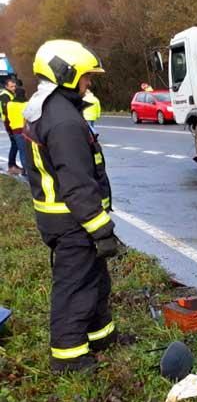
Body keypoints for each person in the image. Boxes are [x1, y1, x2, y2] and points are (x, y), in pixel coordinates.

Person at [22, 39, 120, 373]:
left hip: (66, 218)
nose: (89, 82)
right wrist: (101, 228)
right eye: (85, 77)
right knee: (75, 286)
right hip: (72, 220)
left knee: (94, 279)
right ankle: (68, 357)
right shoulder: (64, 121)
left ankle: (101, 335)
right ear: (65, 73)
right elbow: (77, 183)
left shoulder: (50, 107)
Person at [0, 77, 21, 174]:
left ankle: (13, 165)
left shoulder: (11, 93)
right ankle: (11, 165)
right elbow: (6, 110)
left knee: (15, 144)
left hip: (13, 122)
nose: (14, 88)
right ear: (6, 86)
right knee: (15, 144)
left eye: (14, 86)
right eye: (11, 86)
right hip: (9, 123)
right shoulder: (5, 95)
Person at [6, 86, 27, 175]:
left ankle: (26, 170)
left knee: (22, 152)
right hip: (27, 130)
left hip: (15, 131)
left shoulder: (9, 104)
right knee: (29, 152)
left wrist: (9, 130)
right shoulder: (27, 104)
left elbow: (7, 118)